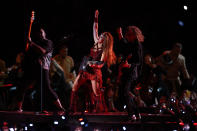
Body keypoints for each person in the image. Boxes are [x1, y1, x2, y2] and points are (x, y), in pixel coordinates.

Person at [69, 10, 116, 113]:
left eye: (102, 36)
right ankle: (72, 109)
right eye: (101, 35)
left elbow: (101, 64)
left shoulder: (104, 51)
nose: (99, 36)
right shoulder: (96, 42)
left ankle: (96, 110)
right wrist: (95, 18)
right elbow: (95, 29)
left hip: (95, 73)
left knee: (95, 94)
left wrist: (91, 63)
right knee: (74, 87)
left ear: (104, 40)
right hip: (86, 70)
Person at [11, 25, 65, 113]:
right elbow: (28, 56)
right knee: (22, 86)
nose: (39, 34)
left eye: (41, 32)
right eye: (38, 33)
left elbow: (43, 51)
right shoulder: (35, 43)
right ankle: (18, 108)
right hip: (33, 68)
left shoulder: (48, 42)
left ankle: (60, 107)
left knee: (47, 88)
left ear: (44, 33)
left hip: (43, 68)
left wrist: (31, 43)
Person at [116, 25, 144, 121]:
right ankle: (136, 113)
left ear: (134, 35)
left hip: (132, 73)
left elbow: (138, 61)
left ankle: (132, 114)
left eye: (129, 35)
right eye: (127, 35)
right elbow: (124, 45)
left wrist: (129, 65)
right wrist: (120, 35)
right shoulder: (131, 44)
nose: (128, 36)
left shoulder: (137, 45)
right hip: (127, 72)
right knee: (127, 93)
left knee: (126, 92)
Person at [50, 44, 76, 110]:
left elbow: (72, 71)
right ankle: (63, 107)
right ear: (60, 52)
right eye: (64, 51)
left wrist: (74, 80)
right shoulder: (55, 59)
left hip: (68, 81)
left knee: (72, 89)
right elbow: (52, 73)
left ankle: (70, 107)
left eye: (66, 51)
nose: (65, 53)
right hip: (59, 82)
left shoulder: (70, 59)